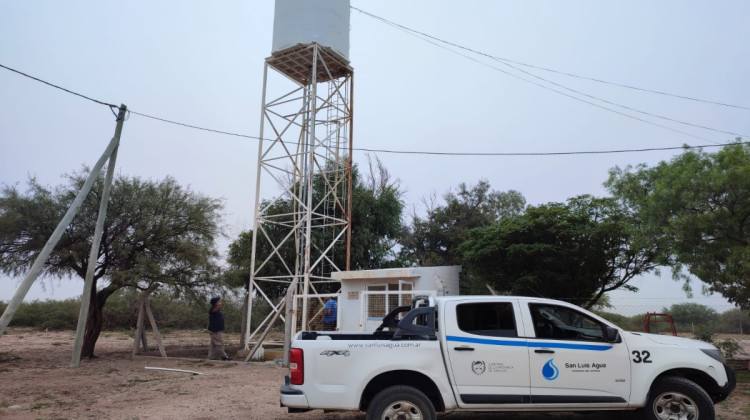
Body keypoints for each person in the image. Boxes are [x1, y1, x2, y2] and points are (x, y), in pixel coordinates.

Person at [207, 296, 230, 360]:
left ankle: (210, 357)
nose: (220, 302)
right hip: (215, 330)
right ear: (215, 303)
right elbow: (215, 310)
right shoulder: (213, 310)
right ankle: (224, 356)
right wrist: (218, 306)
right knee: (219, 344)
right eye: (218, 301)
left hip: (215, 330)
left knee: (213, 344)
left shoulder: (217, 310)